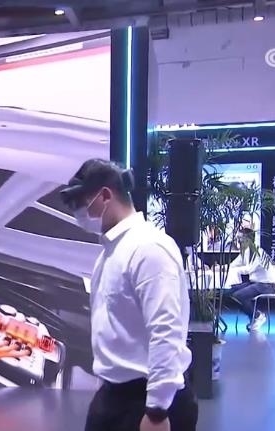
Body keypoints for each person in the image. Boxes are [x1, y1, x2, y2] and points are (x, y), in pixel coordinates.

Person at [61, 159, 198, 431]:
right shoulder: (109, 254)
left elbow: (165, 330)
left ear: (105, 196)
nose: (79, 214)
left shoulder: (149, 248)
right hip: (115, 395)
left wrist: (157, 410)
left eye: (81, 203)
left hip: (147, 399)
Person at [225, 227, 275, 331]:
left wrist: (236, 270)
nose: (238, 242)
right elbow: (234, 264)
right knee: (230, 292)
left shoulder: (258, 252)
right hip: (255, 282)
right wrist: (222, 267)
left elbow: (249, 269)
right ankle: (254, 316)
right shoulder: (246, 252)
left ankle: (257, 316)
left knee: (238, 295)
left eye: (240, 239)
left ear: (248, 240)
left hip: (267, 284)